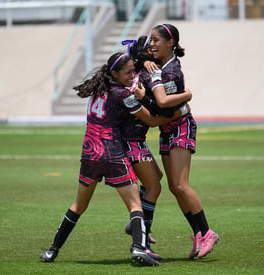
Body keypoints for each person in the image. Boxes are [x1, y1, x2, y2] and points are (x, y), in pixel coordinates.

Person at [39, 52, 188, 266]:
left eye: (133, 71)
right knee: (136, 204)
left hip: (89, 153)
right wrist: (180, 110)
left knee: (78, 206)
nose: (132, 75)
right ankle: (139, 248)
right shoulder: (123, 94)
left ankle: (52, 251)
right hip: (112, 154)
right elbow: (152, 121)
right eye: (127, 72)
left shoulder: (97, 91)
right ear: (114, 73)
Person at [136, 24, 220, 259]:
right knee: (174, 187)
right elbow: (133, 53)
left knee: (181, 185)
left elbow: (165, 105)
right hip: (167, 129)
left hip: (181, 127)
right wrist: (143, 62)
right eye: (150, 41)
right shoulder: (157, 64)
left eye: (156, 40)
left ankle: (207, 232)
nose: (151, 44)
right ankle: (198, 235)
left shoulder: (172, 71)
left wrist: (185, 96)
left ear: (170, 42)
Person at [121, 36, 192, 261]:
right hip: (130, 141)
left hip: (132, 140)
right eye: (150, 50)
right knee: (153, 187)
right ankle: (141, 238)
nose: (154, 51)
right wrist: (182, 109)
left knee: (156, 179)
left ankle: (137, 223)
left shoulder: (138, 74)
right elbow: (153, 119)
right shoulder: (142, 79)